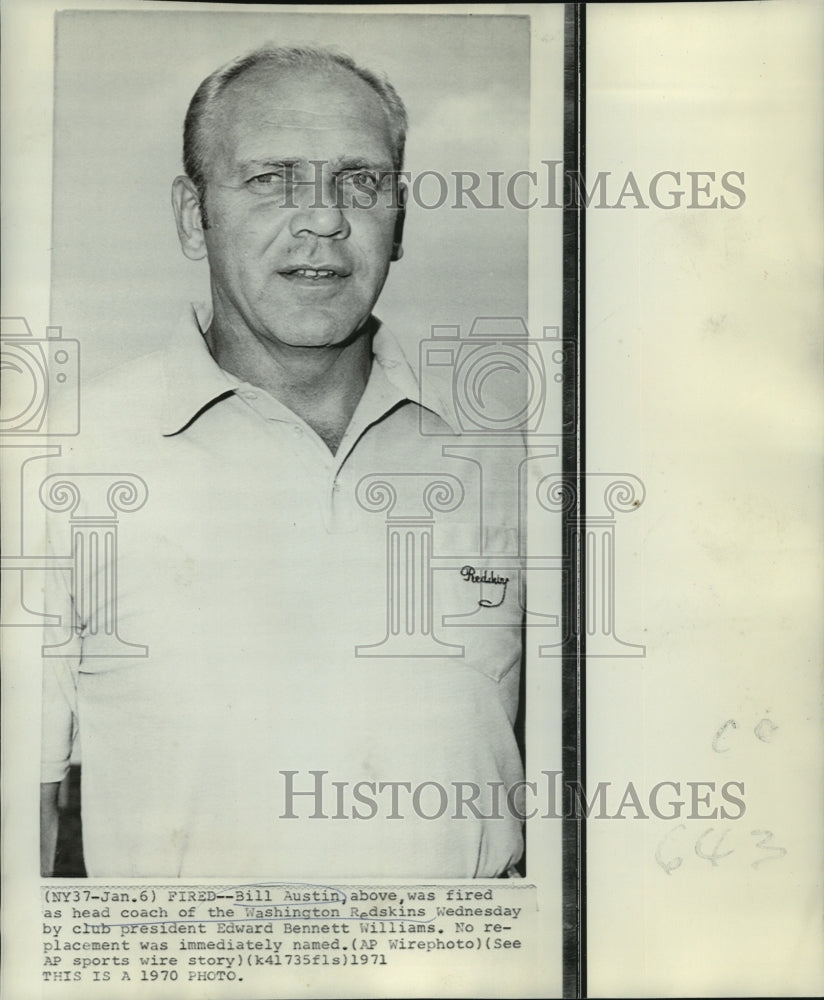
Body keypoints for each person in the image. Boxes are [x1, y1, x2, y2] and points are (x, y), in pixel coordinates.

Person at [40, 46, 525, 878]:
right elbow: (26, 829)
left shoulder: (512, 460)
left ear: (400, 218)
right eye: (270, 179)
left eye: (361, 181)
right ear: (193, 215)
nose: (324, 220)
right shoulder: (65, 464)